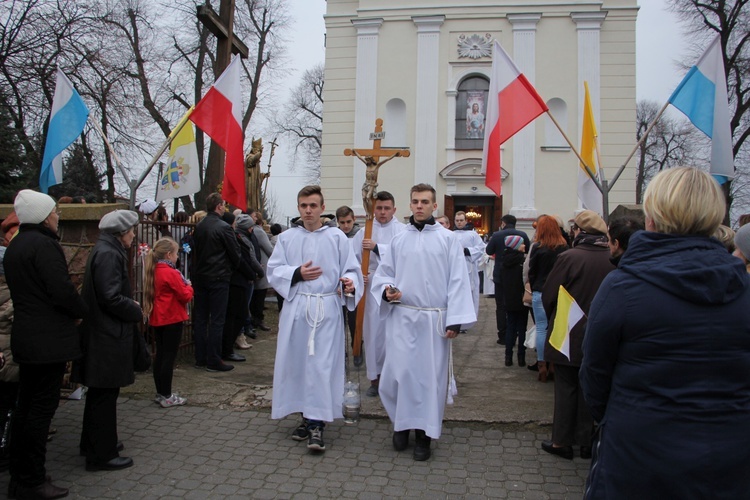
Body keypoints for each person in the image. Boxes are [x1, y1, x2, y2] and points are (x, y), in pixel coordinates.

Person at [580, 167, 750, 497]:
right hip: (728, 453)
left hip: (638, 452)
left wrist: (619, 417)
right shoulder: (743, 287)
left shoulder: (622, 287)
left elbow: (594, 371)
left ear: (653, 218)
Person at [371, 183, 475, 461]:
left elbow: (458, 281)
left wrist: (455, 320)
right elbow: (384, 273)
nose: (419, 206)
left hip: (434, 320)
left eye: (425, 202)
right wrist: (387, 290)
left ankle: (424, 435)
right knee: (398, 375)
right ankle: (401, 424)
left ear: (434, 205)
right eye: (415, 201)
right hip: (402, 316)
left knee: (428, 380)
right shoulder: (398, 239)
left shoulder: (448, 239)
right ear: (410, 204)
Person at [4, 190, 87, 498]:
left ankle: (20, 475)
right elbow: (61, 290)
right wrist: (80, 311)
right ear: (42, 216)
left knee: (25, 408)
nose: (57, 217)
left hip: (26, 337)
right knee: (40, 410)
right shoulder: (44, 246)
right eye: (53, 213)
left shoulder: (16, 246)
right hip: (47, 340)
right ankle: (32, 480)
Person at [267, 185, 362, 453]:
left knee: (321, 366)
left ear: (322, 207)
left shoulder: (337, 237)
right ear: (298, 208)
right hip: (297, 309)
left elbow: (352, 269)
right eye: (303, 205)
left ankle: (317, 424)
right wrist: (297, 273)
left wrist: (349, 282)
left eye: (313, 206)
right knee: (298, 365)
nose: (308, 210)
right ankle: (306, 417)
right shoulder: (286, 238)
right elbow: (273, 270)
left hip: (326, 310)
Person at [540, 209, 614, 461]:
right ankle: (585, 441)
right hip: (602, 332)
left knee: (566, 387)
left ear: (580, 232)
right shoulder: (612, 257)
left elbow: (550, 293)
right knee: (589, 387)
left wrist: (553, 316)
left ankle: (562, 441)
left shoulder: (570, 256)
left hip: (569, 331)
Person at [75, 209, 142, 472]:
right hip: (107, 335)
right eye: (131, 231)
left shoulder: (103, 249)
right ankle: (101, 454)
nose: (134, 235)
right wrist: (134, 308)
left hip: (102, 332)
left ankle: (94, 443)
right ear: (122, 232)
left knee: (100, 394)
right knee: (104, 394)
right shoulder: (109, 254)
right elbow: (110, 296)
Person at [352, 191, 405, 396]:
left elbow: (402, 256)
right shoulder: (364, 231)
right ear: (373, 209)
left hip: (394, 285)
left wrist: (376, 248)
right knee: (373, 333)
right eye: (379, 208)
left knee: (393, 334)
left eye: (386, 208)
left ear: (394, 209)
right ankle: (375, 380)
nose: (382, 213)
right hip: (371, 286)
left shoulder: (402, 231)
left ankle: (395, 379)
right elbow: (352, 260)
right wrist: (358, 275)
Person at [192, 194, 242, 372]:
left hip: (201, 276)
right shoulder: (223, 227)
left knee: (201, 319)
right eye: (223, 205)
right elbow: (235, 254)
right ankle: (213, 359)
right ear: (219, 206)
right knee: (217, 320)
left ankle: (200, 357)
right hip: (219, 277)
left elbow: (195, 251)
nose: (225, 208)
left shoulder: (199, 226)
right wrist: (230, 267)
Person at [142, 237, 194, 408]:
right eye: (176, 254)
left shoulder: (154, 270)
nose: (178, 257)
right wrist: (189, 286)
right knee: (168, 358)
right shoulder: (170, 273)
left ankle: (161, 392)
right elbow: (185, 295)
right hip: (171, 317)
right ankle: (167, 394)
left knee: (161, 355)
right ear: (169, 254)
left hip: (159, 318)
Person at [527, 215, 568, 380]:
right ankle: (553, 364)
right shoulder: (564, 247)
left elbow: (532, 270)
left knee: (541, 328)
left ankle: (542, 364)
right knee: (557, 328)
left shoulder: (537, 247)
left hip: (540, 290)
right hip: (558, 291)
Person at [223, 213, 264, 360]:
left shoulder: (238, 237)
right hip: (238, 281)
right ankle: (226, 349)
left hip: (239, 280)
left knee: (238, 315)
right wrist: (256, 273)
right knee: (236, 315)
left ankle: (227, 348)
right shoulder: (239, 239)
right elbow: (244, 259)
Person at [486, 215, 530, 345]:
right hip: (517, 274)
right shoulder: (522, 234)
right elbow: (527, 249)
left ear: (503, 223)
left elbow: (489, 250)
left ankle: (503, 335)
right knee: (517, 303)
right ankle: (516, 332)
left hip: (500, 273)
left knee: (500, 306)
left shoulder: (497, 235)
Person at [235, 214, 265, 349]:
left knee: (244, 307)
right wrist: (258, 272)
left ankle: (242, 332)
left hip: (248, 275)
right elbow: (250, 258)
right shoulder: (242, 240)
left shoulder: (243, 237)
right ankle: (239, 335)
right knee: (242, 308)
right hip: (245, 277)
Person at [452, 211, 485, 331]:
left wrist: (466, 251)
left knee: (470, 295)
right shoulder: (451, 234)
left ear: (466, 221)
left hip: (469, 268)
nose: (459, 223)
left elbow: (481, 248)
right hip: (454, 268)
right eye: (457, 220)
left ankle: (467, 322)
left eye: (461, 220)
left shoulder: (473, 235)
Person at [335, 206, 360, 353]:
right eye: (342, 222)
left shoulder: (360, 235)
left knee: (354, 320)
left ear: (354, 219)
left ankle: (356, 347)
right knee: (339, 321)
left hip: (354, 284)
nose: (346, 226)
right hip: (338, 284)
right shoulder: (335, 236)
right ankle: (340, 351)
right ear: (337, 221)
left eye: (348, 222)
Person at [501, 235, 528, 367]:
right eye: (522, 244)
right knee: (522, 327)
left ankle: (508, 356)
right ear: (516, 245)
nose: (524, 246)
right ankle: (521, 357)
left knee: (510, 326)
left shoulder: (504, 259)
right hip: (521, 296)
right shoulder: (522, 260)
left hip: (509, 297)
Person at [248, 209, 274, 333]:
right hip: (261, 265)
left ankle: (254, 319)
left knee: (255, 296)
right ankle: (258, 319)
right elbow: (269, 249)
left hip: (256, 265)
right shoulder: (258, 232)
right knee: (259, 295)